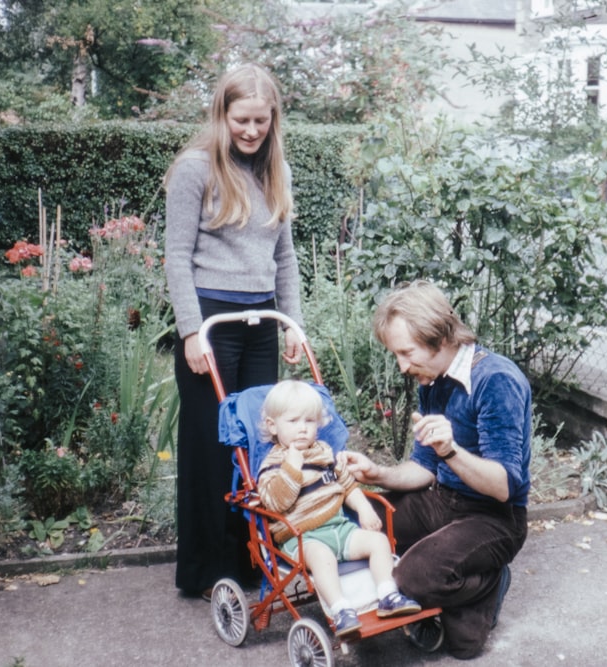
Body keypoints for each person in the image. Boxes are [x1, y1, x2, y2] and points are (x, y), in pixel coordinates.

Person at [163, 63, 304, 600]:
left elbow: (284, 257)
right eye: (241, 120)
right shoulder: (195, 169)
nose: (251, 131)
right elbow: (176, 257)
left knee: (260, 443)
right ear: (222, 114)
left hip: (261, 321)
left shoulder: (276, 171)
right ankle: (205, 569)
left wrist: (293, 322)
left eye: (261, 122)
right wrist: (191, 332)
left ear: (273, 121)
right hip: (212, 322)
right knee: (210, 447)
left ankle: (251, 560)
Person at [341, 280, 532, 660]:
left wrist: (451, 451)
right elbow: (423, 468)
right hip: (443, 500)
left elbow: (503, 487)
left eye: (406, 353)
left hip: (494, 518)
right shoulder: (433, 379)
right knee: (354, 520)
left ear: (439, 338)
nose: (402, 366)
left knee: (414, 582)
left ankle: (488, 581)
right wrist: (376, 473)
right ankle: (446, 569)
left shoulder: (496, 381)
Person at [256, 380, 421, 638]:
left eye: (309, 421)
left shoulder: (324, 452)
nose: (302, 429)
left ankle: (388, 594)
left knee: (378, 542)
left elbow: (347, 485)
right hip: (301, 539)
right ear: (272, 426)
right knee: (323, 558)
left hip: (338, 528)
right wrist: (292, 468)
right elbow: (276, 503)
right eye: (293, 421)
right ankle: (341, 609)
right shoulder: (272, 464)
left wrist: (364, 509)